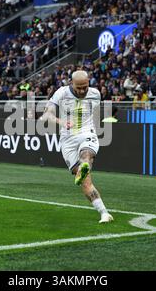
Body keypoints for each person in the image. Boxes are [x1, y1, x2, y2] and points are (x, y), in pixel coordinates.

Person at [41, 70, 113, 223]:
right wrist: (62, 122)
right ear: (70, 83)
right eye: (78, 87)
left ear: (89, 83)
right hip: (67, 140)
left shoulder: (95, 94)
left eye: (85, 87)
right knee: (84, 180)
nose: (82, 91)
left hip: (86, 132)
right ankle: (104, 213)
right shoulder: (61, 93)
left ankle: (85, 163)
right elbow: (47, 114)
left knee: (86, 155)